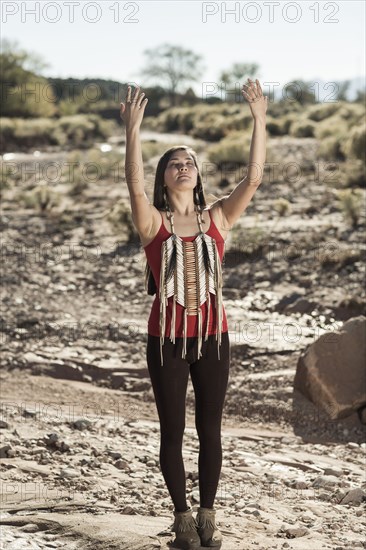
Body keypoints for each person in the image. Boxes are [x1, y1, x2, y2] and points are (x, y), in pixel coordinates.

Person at [120, 81, 267, 550]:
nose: (182, 168)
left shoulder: (219, 218)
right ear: (164, 177)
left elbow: (255, 178)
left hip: (214, 339)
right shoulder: (153, 224)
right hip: (165, 340)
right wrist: (133, 132)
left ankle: (208, 515)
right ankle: (181, 518)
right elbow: (133, 184)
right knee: (173, 431)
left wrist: (259, 119)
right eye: (174, 164)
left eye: (189, 163)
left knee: (210, 430)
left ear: (198, 176)